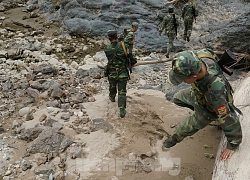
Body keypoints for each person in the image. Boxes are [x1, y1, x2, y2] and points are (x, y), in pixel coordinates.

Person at [163, 49, 242, 161]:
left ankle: (167, 143)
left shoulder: (215, 92)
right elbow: (211, 53)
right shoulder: (202, 55)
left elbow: (227, 117)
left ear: (194, 77)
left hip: (207, 110)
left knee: (181, 130)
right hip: (198, 94)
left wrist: (233, 144)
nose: (182, 82)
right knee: (177, 98)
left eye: (183, 79)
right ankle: (197, 110)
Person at [104, 30, 137, 118]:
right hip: (122, 72)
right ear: (117, 37)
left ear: (109, 39)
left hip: (112, 72)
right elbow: (131, 57)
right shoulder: (124, 46)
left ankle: (112, 97)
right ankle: (122, 109)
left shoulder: (107, 49)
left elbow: (110, 59)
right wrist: (133, 62)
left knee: (112, 86)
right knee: (122, 91)